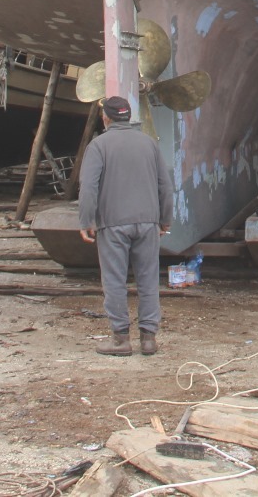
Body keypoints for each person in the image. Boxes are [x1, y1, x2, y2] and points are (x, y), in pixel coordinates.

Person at [78, 95, 173, 356]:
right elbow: (165, 186)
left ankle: (121, 340)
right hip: (147, 222)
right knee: (148, 280)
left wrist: (86, 220)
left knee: (115, 281)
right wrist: (165, 219)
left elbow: (88, 187)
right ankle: (149, 339)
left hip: (113, 223)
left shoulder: (99, 146)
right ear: (128, 116)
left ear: (106, 117)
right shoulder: (149, 145)